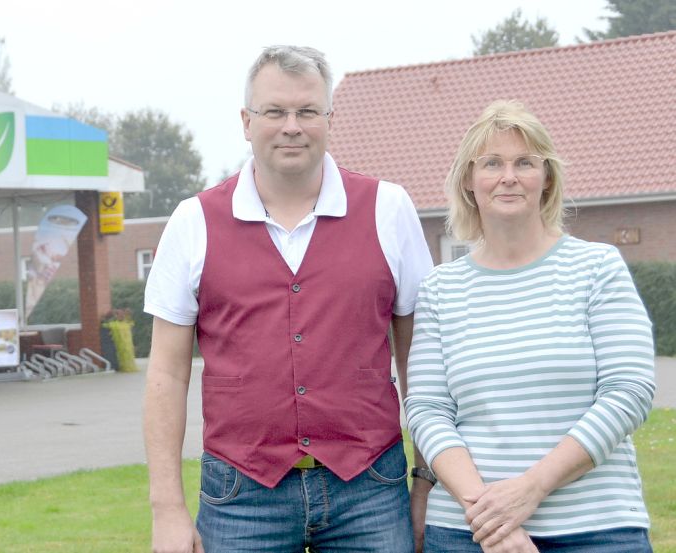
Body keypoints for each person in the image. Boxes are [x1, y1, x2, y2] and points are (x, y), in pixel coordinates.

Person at [142, 45, 434, 552]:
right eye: (275, 111)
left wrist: (428, 479)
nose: (291, 126)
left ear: (329, 119)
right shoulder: (193, 221)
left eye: (307, 111)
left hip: (370, 486)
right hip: (240, 492)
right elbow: (166, 373)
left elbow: (421, 357)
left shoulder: (390, 208)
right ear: (246, 121)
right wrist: (167, 509)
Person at [404, 100, 655, 553]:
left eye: (525, 162)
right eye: (492, 163)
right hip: (469, 531)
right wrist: (490, 516)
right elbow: (426, 410)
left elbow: (629, 390)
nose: (508, 176)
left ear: (547, 178)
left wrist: (531, 489)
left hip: (596, 528)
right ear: (468, 180)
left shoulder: (596, 267)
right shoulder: (441, 288)